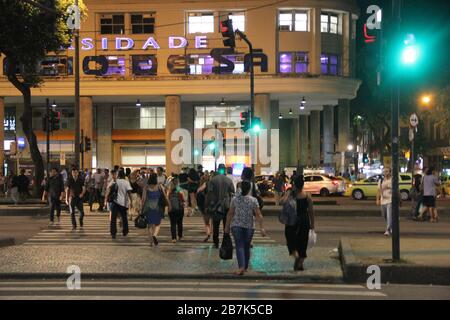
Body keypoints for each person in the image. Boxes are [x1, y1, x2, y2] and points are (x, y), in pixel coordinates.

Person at [225, 181, 266, 276]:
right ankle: (244, 267)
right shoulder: (253, 200)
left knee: (239, 246)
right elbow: (258, 214)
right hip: (249, 227)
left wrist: (227, 227)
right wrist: (262, 227)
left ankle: (242, 267)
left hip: (236, 226)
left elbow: (230, 214)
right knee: (246, 247)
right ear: (249, 189)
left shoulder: (235, 199)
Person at [280, 175, 315, 271]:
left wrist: (287, 194)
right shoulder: (307, 196)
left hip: (292, 221)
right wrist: (312, 224)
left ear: (294, 184)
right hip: (304, 221)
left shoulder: (290, 194)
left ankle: (296, 257)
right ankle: (300, 263)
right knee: (303, 243)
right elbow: (311, 211)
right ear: (303, 185)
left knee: (291, 242)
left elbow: (281, 202)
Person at [205, 164, 235, 248]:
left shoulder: (213, 180)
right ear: (224, 169)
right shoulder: (228, 180)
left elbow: (209, 194)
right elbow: (232, 191)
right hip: (226, 205)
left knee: (216, 225)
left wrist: (207, 205)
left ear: (218, 169)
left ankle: (216, 242)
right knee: (226, 224)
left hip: (215, 205)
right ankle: (225, 241)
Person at [142, 173, 169, 246]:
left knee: (150, 225)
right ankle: (155, 235)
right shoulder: (160, 186)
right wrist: (169, 204)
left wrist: (142, 209)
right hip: (158, 207)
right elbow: (165, 196)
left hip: (148, 207)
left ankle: (151, 242)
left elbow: (143, 199)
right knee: (158, 224)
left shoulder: (146, 187)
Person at [107, 169, 132, 239]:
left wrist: (106, 199)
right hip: (123, 203)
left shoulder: (115, 181)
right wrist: (131, 201)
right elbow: (129, 192)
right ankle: (125, 231)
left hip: (115, 202)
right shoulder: (126, 182)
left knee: (113, 218)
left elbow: (108, 188)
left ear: (118, 175)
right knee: (124, 218)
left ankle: (113, 233)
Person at [167, 177, 185, 243]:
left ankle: (173, 238)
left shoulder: (169, 190)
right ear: (178, 182)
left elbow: (167, 199)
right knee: (180, 223)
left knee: (173, 224)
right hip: (180, 208)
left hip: (171, 209)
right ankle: (180, 236)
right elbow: (183, 199)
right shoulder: (180, 190)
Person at [376, 168, 393, 236]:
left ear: (390, 172)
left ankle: (388, 230)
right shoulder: (381, 180)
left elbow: (397, 190)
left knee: (389, 215)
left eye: (387, 171)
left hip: (390, 200)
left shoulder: (392, 180)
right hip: (383, 200)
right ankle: (390, 227)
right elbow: (378, 190)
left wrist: (400, 200)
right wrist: (377, 199)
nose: (385, 173)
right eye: (384, 171)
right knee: (385, 215)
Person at [197, 173, 212, 242]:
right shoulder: (211, 185)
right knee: (212, 221)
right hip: (211, 205)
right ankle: (211, 232)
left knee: (206, 222)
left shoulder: (203, 185)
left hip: (203, 206)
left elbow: (198, 192)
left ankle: (208, 233)